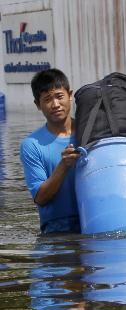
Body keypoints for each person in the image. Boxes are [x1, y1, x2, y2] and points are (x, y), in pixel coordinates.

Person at [20, 68, 81, 233]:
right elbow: (41, 198)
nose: (55, 104)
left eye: (59, 96)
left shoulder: (91, 133)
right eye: (47, 99)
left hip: (95, 220)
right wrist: (63, 165)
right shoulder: (32, 145)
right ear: (37, 105)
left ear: (70, 95)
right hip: (56, 230)